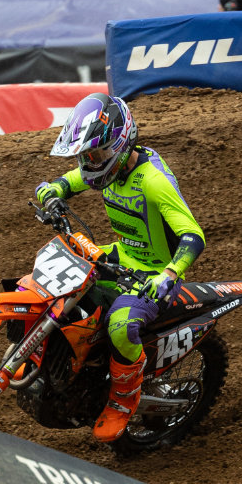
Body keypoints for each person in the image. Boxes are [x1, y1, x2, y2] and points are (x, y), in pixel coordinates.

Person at [34, 94, 206, 443]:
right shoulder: (111, 168)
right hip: (121, 256)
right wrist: (51, 191)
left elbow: (193, 235)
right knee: (59, 285)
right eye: (85, 156)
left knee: (120, 325)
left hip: (153, 274)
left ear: (121, 144)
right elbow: (70, 182)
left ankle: (124, 398)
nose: (89, 163)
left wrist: (169, 275)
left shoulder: (153, 181)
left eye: (94, 155)